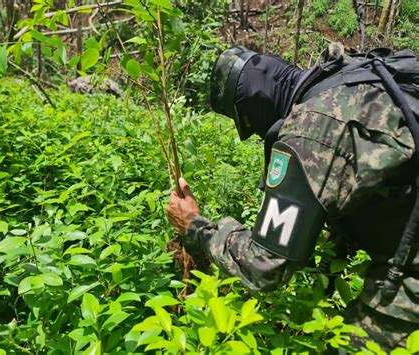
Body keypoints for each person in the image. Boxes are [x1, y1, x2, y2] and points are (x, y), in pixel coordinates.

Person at [166, 45, 419, 351]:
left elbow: (265, 266)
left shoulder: (310, 127)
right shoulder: (348, 76)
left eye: (247, 125)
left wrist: (195, 226)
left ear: (252, 108)